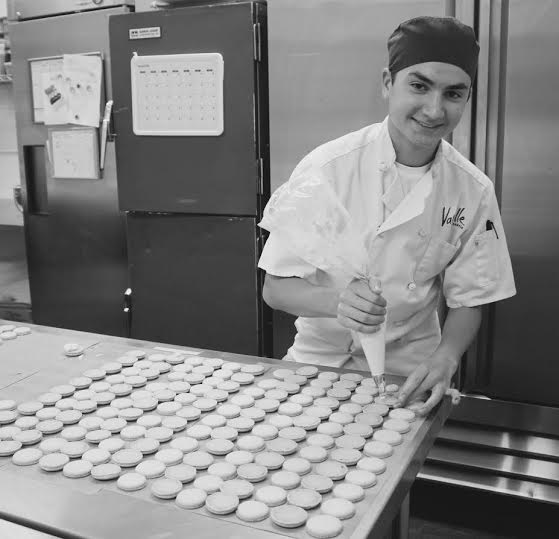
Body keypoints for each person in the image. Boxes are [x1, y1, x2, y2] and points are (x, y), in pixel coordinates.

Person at [258, 16, 516, 416]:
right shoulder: (328, 169)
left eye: (453, 94)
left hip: (410, 371)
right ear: (387, 83)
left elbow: (470, 298)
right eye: (419, 85)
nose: (434, 109)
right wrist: (337, 301)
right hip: (318, 363)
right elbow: (276, 289)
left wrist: (446, 357)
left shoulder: (471, 190)